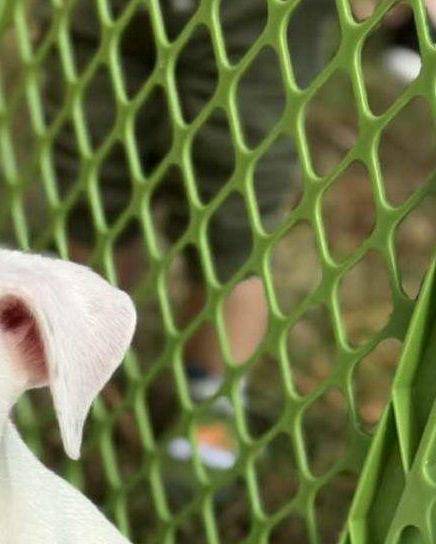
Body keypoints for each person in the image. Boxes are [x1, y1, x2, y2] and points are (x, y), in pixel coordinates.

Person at [52, 0, 333, 468]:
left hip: (259, 17)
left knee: (235, 208)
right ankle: (88, 358)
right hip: (114, 15)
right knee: (95, 178)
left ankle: (214, 395)